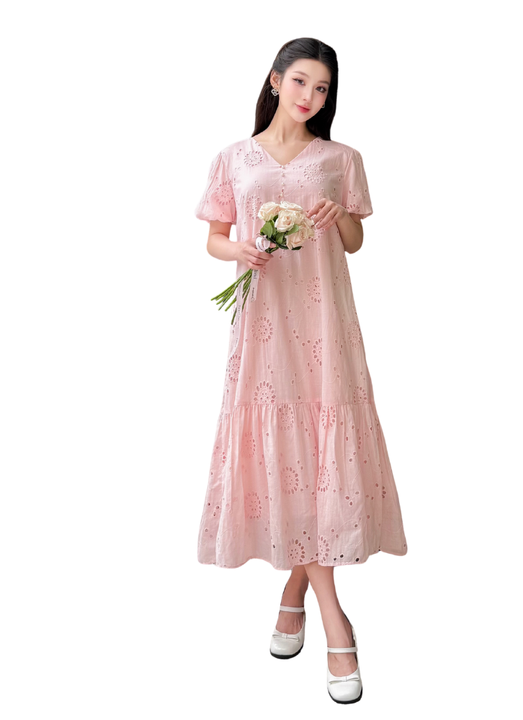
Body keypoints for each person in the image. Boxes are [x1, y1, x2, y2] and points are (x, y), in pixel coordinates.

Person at [194, 37, 408, 704]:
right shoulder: (234, 157)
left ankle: (299, 596)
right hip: (261, 318)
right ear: (275, 80)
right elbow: (214, 236)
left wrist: (338, 215)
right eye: (301, 82)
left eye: (322, 88)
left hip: (322, 319)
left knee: (319, 447)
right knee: (284, 452)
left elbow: (356, 242)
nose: (311, 97)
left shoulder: (342, 160)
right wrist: (242, 251)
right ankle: (333, 616)